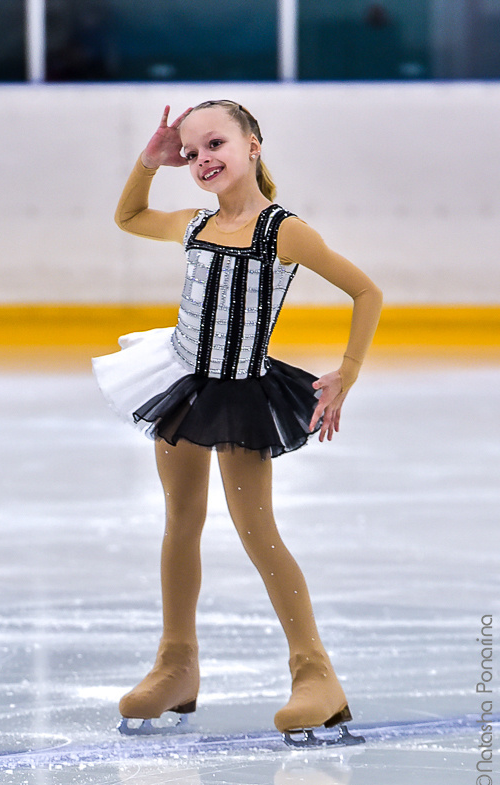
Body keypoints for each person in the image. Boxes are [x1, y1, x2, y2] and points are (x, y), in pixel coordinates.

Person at [92, 101, 383, 737]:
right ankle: (176, 664)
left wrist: (349, 370)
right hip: (180, 382)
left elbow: (366, 291)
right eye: (191, 152)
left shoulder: (282, 231)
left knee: (256, 528)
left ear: (254, 144)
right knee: (180, 520)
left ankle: (315, 670)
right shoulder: (194, 224)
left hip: (243, 393)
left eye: (215, 143)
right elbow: (128, 216)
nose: (202, 160)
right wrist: (150, 159)